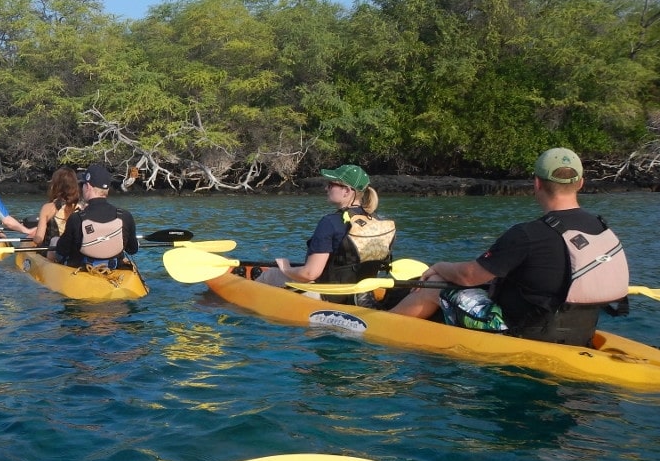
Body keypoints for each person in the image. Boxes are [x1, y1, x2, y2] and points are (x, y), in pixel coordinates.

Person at [389, 148, 629, 346]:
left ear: (536, 183)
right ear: (580, 183)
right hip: (580, 333)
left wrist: (440, 266)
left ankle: (384, 325)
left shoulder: (528, 234)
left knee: (432, 289)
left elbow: (468, 276)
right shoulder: (603, 229)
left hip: (521, 332)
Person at [254, 164, 395, 305]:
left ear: (346, 191)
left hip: (328, 296)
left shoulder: (330, 222)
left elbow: (310, 274)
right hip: (362, 295)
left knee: (270, 274)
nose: (326, 188)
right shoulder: (377, 221)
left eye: (331, 184)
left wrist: (286, 268)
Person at [54, 164, 139, 268]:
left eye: (83, 185)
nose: (82, 188)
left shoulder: (76, 218)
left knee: (55, 241)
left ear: (88, 187)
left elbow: (60, 253)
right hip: (115, 269)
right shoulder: (125, 216)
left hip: (82, 272)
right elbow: (132, 250)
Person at [32, 166, 82, 260]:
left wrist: (32, 237)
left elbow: (39, 240)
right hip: (74, 253)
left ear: (55, 186)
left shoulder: (48, 208)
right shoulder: (82, 207)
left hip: (53, 252)